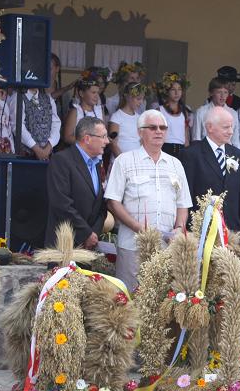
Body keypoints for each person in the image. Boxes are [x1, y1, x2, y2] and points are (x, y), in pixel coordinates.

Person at [105, 109, 193, 289]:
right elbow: (113, 202)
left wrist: (178, 228)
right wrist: (139, 228)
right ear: (140, 132)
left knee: (163, 300)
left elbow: (183, 204)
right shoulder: (124, 161)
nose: (159, 131)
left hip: (166, 248)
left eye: (163, 128)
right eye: (153, 127)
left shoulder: (176, 164)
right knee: (130, 298)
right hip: (133, 246)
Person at [180, 106, 240, 232]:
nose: (231, 132)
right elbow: (186, 196)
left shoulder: (239, 156)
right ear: (210, 127)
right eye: (226, 127)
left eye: (231, 127)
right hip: (201, 230)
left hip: (232, 230)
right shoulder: (191, 155)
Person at [45, 117, 109, 249]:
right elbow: (61, 204)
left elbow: (101, 207)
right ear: (87, 139)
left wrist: (93, 235)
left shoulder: (97, 165)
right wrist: (86, 234)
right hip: (64, 245)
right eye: (103, 136)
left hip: (88, 246)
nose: (107, 141)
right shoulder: (61, 160)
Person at [5, 86, 62, 160]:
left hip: (47, 156)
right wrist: (36, 149)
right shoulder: (17, 97)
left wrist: (49, 146)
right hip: (25, 156)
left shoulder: (49, 99)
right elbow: (17, 126)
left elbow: (56, 125)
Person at [191, 77, 239, 145]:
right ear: (211, 93)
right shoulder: (201, 112)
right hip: (206, 149)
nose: (222, 96)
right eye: (219, 92)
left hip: (226, 150)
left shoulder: (233, 113)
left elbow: (235, 140)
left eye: (225, 92)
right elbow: (196, 138)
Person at [61, 74, 105, 146]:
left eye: (98, 92)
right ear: (81, 93)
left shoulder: (99, 110)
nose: (97, 96)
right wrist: (88, 142)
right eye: (93, 92)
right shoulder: (75, 112)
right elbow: (67, 137)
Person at [157, 72, 191, 158]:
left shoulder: (184, 111)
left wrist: (187, 153)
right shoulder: (160, 110)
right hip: (165, 148)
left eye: (179, 89)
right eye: (173, 89)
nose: (177, 93)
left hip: (181, 150)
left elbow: (186, 136)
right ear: (167, 91)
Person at [108, 82, 147, 158]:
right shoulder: (117, 117)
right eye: (138, 99)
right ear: (128, 97)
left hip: (136, 159)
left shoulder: (139, 118)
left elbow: (141, 141)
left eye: (142, 99)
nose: (141, 102)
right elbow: (113, 143)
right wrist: (123, 160)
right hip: (120, 160)